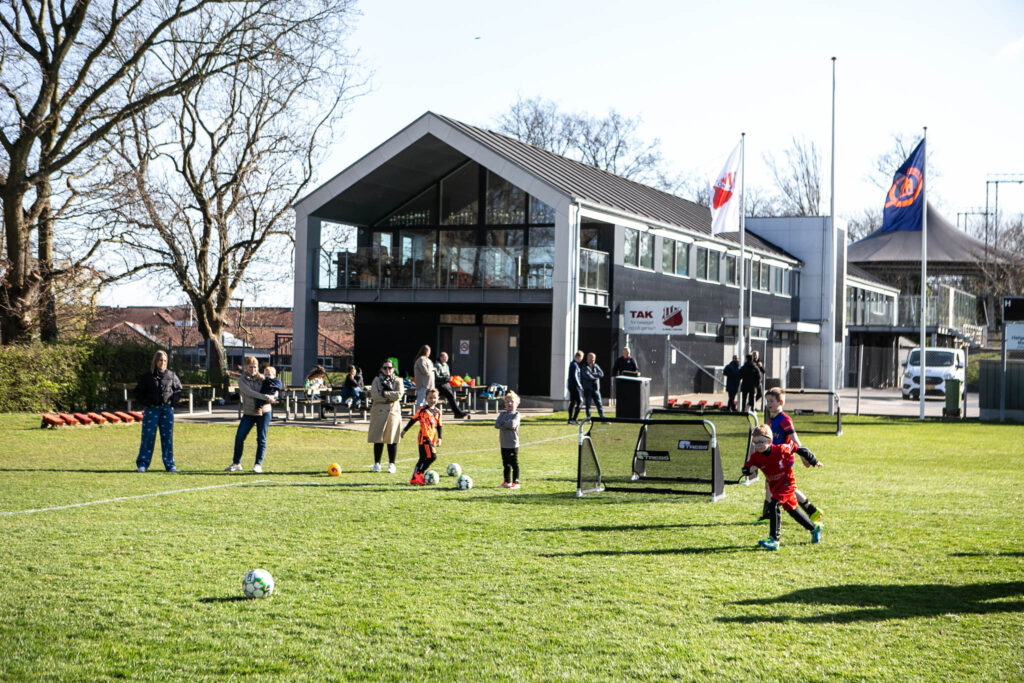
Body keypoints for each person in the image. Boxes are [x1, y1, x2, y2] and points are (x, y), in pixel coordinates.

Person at [742, 424, 823, 551]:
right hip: (775, 487)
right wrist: (748, 470)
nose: (758, 445)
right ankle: (814, 528)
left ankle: (774, 539)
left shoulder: (781, 449)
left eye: (761, 442)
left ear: (769, 441)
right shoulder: (756, 457)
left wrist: (813, 461)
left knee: (773, 504)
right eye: (755, 443)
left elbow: (800, 449)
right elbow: (747, 467)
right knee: (793, 511)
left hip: (787, 484)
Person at [756, 387, 824, 523]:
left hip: (784, 460)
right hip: (774, 459)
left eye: (771, 401)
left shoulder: (785, 420)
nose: (768, 404)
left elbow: (796, 441)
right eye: (767, 401)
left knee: (775, 486)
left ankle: (768, 515)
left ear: (780, 402)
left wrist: (806, 458)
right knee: (779, 487)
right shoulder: (772, 420)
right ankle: (811, 510)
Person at [226, 355, 277, 473]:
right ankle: (236, 463)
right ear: (245, 367)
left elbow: (275, 385)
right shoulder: (242, 380)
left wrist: (274, 395)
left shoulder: (263, 378)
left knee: (261, 439)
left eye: (255, 367)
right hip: (249, 412)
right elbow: (249, 392)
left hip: (264, 412)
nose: (253, 369)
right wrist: (265, 397)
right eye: (250, 367)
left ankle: (258, 464)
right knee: (239, 437)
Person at [134, 350, 182, 473]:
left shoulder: (171, 375)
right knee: (148, 437)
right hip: (151, 410)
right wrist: (147, 403)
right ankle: (143, 463)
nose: (163, 363)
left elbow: (178, 389)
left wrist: (173, 402)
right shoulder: (147, 377)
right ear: (155, 361)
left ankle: (170, 464)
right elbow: (138, 392)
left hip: (166, 410)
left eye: (165, 361)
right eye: (160, 360)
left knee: (167, 438)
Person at [368, 359, 405, 473]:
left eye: (390, 368)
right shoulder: (376, 380)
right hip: (378, 412)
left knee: (392, 438)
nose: (387, 370)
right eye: (385, 368)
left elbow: (398, 395)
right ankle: (377, 463)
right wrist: (388, 397)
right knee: (378, 439)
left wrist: (384, 393)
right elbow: (375, 396)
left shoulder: (398, 380)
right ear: (381, 369)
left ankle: (391, 464)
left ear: (393, 369)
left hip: (393, 412)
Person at [402, 387, 442, 485]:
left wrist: (439, 437)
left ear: (438, 398)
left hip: (431, 438)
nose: (432, 400)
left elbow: (439, 425)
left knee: (423, 458)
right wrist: (404, 430)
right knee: (433, 456)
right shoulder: (422, 410)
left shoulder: (437, 411)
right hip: (424, 437)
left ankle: (414, 478)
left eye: (434, 398)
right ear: (426, 398)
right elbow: (413, 420)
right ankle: (419, 474)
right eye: (430, 398)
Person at [494, 390, 522, 489]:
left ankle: (516, 482)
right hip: (503, 443)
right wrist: (505, 424)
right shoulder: (502, 414)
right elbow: (496, 425)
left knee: (514, 463)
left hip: (512, 444)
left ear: (517, 403)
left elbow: (512, 425)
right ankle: (507, 481)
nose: (509, 404)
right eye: (507, 402)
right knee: (505, 464)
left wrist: (504, 424)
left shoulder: (516, 415)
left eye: (512, 402)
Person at [434, 351, 469, 419]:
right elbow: (436, 377)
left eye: (447, 357)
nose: (446, 358)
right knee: (451, 396)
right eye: (444, 357)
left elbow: (448, 375)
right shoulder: (437, 365)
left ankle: (458, 412)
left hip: (446, 384)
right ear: (440, 357)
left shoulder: (446, 365)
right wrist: (445, 378)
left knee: (452, 397)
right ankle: (458, 412)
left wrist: (450, 378)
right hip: (440, 385)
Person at [581, 352, 606, 420]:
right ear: (587, 359)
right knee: (588, 405)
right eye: (591, 359)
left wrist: (592, 374)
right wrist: (596, 376)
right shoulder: (584, 367)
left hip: (596, 389)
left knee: (599, 404)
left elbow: (601, 374)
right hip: (588, 389)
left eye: (594, 359)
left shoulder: (596, 366)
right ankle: (588, 418)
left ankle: (602, 418)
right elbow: (587, 376)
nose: (592, 360)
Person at [566, 350, 584, 425]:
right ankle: (574, 419)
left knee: (573, 402)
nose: (581, 359)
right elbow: (575, 376)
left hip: (571, 386)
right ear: (578, 357)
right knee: (580, 402)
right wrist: (580, 385)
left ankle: (570, 419)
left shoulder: (572, 364)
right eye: (581, 358)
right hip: (575, 386)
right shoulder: (575, 365)